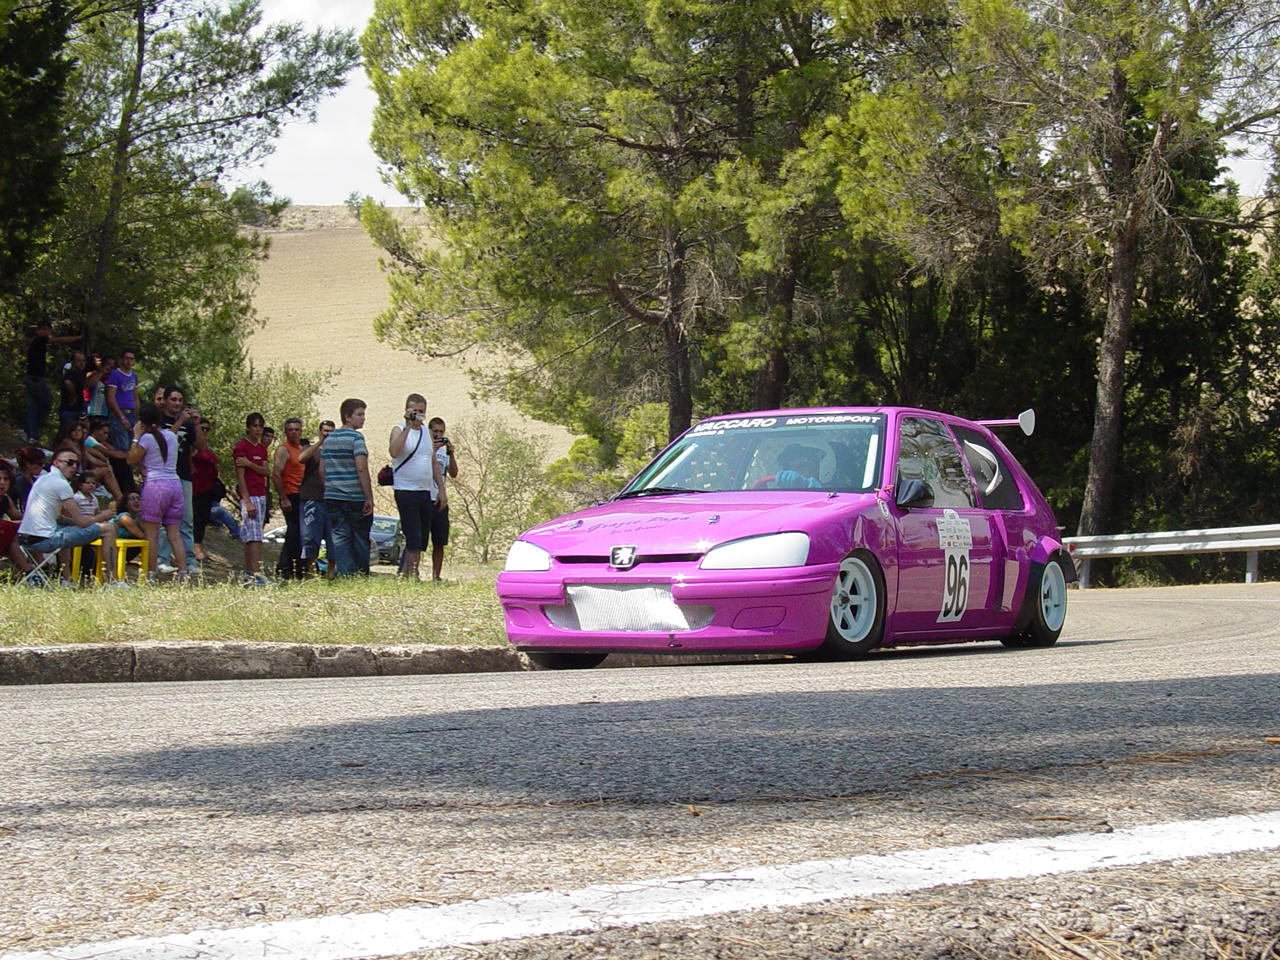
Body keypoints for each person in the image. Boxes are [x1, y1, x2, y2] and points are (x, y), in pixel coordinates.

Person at [17, 446, 126, 587]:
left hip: (26, 538)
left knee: (66, 529)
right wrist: (102, 516)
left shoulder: (43, 479)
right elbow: (81, 522)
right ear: (56, 463)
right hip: (44, 540)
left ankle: (66, 580)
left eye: (77, 464)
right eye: (69, 462)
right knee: (109, 528)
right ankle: (113, 581)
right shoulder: (61, 484)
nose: (74, 467)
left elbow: (59, 518)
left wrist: (75, 523)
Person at [126, 402, 187, 583]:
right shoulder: (171, 436)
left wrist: (135, 437)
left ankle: (150, 574)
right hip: (174, 485)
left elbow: (131, 459)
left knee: (151, 534)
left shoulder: (146, 438)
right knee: (174, 534)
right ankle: (183, 573)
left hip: (155, 485)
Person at [389, 395, 445, 581]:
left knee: (421, 537)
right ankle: (411, 575)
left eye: (422, 411)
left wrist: (441, 490)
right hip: (406, 490)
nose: (419, 414)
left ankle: (408, 572)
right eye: (415, 411)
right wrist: (408, 426)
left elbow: (433, 462)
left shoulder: (426, 433)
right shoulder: (399, 430)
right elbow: (394, 451)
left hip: (425, 490)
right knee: (412, 534)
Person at [322, 399, 373, 576]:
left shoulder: (328, 440)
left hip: (332, 496)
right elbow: (361, 468)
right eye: (359, 414)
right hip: (354, 497)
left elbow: (322, 470)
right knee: (360, 537)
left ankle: (344, 574)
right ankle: (360, 574)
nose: (363, 418)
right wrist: (369, 497)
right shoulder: (356, 438)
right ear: (347, 417)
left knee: (340, 539)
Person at [156, 386, 199, 575]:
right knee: (164, 519)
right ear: (165, 400)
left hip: (183, 474)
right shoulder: (158, 421)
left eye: (180, 400)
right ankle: (162, 559)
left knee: (187, 519)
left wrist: (195, 425)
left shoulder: (188, 425)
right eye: (173, 399)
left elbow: (199, 446)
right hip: (164, 474)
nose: (177, 403)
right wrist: (180, 421)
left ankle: (189, 559)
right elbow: (162, 443)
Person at [24, 322, 79, 443]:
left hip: (35, 377)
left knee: (34, 406)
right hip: (35, 379)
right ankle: (30, 431)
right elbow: (59, 340)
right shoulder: (39, 340)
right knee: (45, 405)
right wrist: (76, 338)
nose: (46, 332)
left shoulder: (37, 343)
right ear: (38, 331)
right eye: (43, 329)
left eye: (48, 330)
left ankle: (30, 433)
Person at [233, 412, 270, 586]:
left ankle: (251, 573)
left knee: (257, 535)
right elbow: (240, 476)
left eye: (260, 426)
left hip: (261, 494)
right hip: (250, 496)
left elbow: (266, 471)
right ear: (248, 428)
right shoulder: (242, 447)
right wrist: (246, 501)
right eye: (254, 426)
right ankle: (254, 573)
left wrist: (250, 464)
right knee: (253, 537)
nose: (257, 430)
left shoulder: (262, 449)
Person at [272, 418, 307, 579]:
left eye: (297, 429)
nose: (294, 432)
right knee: (294, 531)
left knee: (300, 533)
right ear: (285, 432)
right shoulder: (283, 449)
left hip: (302, 495)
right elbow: (276, 473)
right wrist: (283, 497)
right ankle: (284, 567)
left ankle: (298, 567)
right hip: (290, 494)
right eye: (290, 429)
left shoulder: (301, 449)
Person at [298, 419, 334, 576]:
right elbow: (301, 458)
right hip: (311, 499)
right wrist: (320, 443)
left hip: (331, 500)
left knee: (333, 539)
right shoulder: (311, 449)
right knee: (310, 537)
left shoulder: (335, 450)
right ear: (320, 432)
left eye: (331, 431)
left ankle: (331, 573)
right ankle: (311, 572)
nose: (328, 434)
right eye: (325, 431)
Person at [427, 417, 457, 581]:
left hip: (441, 499)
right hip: (426, 496)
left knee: (440, 541)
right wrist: (431, 449)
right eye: (435, 432)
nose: (438, 435)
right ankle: (413, 572)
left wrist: (451, 454)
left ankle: (436, 575)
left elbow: (454, 473)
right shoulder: (424, 447)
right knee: (420, 539)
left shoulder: (444, 451)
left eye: (441, 432)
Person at [191, 418, 222, 563]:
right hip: (195, 488)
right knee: (195, 519)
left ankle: (198, 546)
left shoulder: (206, 448)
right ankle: (193, 549)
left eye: (207, 429)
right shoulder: (193, 446)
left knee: (203, 519)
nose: (204, 431)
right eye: (202, 428)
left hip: (208, 488)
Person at [0, 463, 33, 575]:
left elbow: (19, 516)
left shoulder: (5, 499)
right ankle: (29, 572)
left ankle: (34, 570)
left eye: (6, 479)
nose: (2, 483)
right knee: (9, 532)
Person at [84, 416, 128, 500]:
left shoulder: (101, 442)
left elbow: (113, 450)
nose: (106, 436)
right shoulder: (90, 441)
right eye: (104, 433)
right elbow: (111, 454)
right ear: (96, 431)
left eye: (107, 434)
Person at [105, 349, 139, 452]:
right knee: (122, 445)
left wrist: (138, 415)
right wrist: (121, 417)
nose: (129, 361)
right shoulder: (115, 374)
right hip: (119, 413)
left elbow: (135, 397)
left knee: (132, 444)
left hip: (132, 413)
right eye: (126, 358)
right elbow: (111, 397)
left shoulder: (134, 376)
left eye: (131, 359)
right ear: (121, 360)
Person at [11, 447, 46, 512]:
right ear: (28, 464)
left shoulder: (36, 481)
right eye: (40, 463)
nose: (42, 466)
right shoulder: (18, 481)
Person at [58, 350, 89, 425]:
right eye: (79, 361)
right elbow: (67, 382)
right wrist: (73, 395)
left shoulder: (80, 374)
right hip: (69, 410)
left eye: (83, 361)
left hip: (79, 409)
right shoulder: (71, 373)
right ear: (73, 362)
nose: (82, 363)